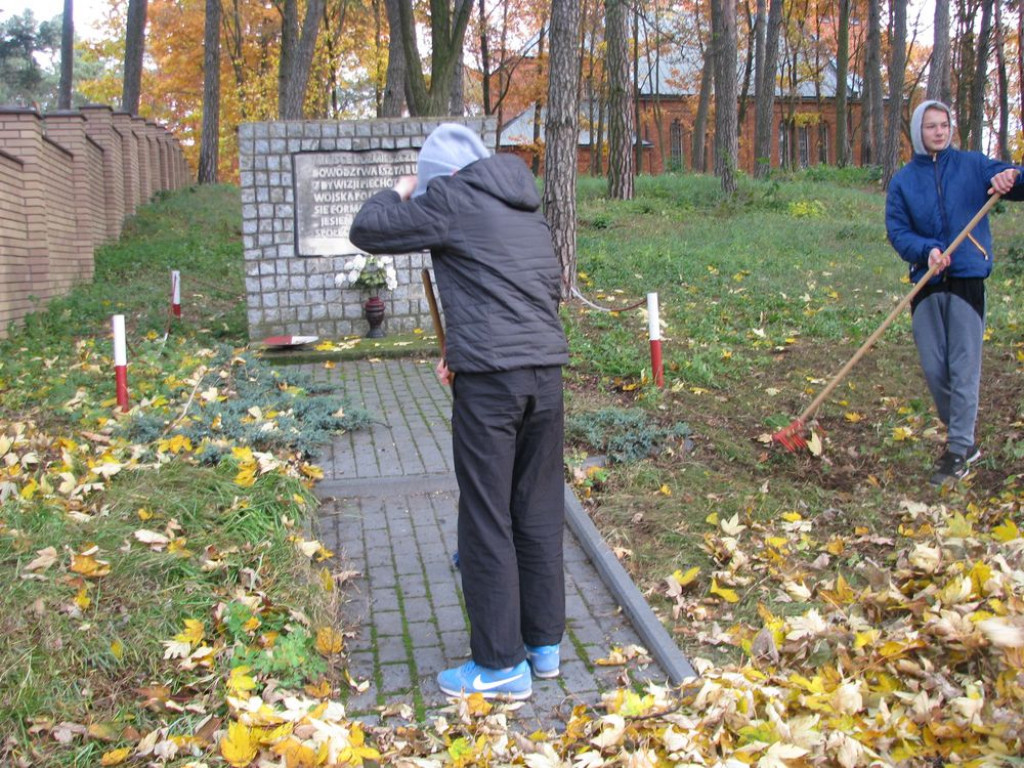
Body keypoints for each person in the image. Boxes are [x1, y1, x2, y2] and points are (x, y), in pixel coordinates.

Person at [348, 123, 569, 700]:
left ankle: (499, 666)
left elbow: (366, 230)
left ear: (440, 177)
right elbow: (535, 291)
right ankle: (544, 646)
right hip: (545, 377)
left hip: (492, 387)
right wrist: (462, 348)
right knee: (537, 507)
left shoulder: (449, 195)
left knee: (486, 517)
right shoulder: (525, 206)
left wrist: (400, 189)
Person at [885, 100, 1023, 487]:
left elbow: (1018, 181)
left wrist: (1010, 177)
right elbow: (898, 231)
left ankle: (959, 448)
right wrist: (925, 249)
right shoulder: (903, 182)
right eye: (931, 126)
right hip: (927, 280)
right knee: (935, 369)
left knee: (964, 368)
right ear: (918, 132)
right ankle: (965, 436)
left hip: (966, 277)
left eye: (944, 125)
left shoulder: (974, 166)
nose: (939, 132)